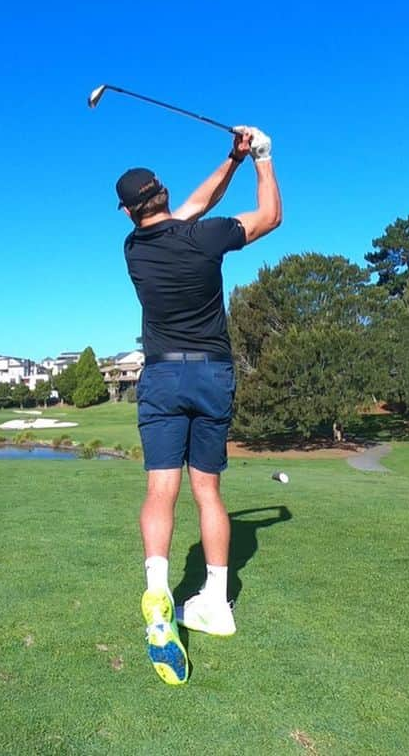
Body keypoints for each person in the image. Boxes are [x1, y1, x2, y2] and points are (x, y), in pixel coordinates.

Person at [116, 125, 281, 685]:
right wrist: (261, 157)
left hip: (162, 376)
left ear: (128, 211)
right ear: (162, 193)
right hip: (212, 374)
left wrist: (229, 160)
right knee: (207, 489)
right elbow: (269, 217)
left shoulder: (135, 248)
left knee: (160, 489)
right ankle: (215, 601)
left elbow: (194, 204)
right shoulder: (205, 237)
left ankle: (158, 589)